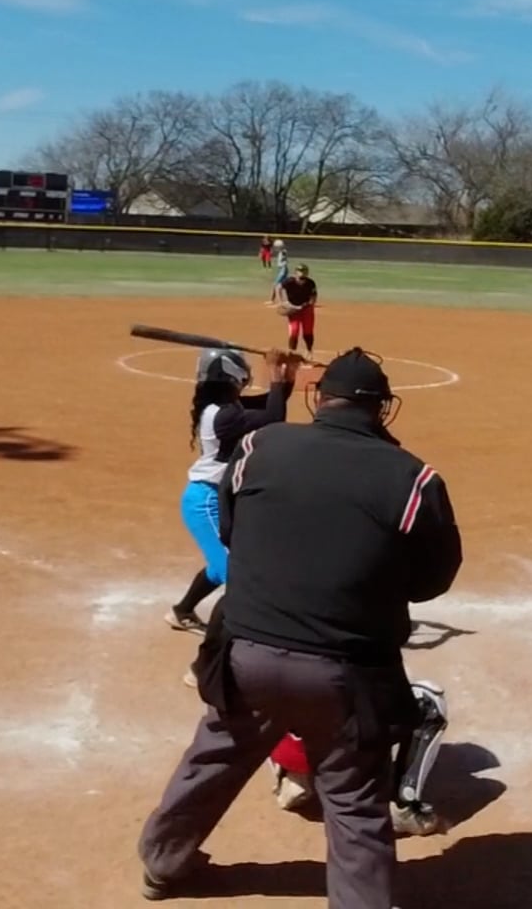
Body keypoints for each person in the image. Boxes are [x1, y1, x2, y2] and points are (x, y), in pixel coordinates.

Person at [137, 348, 463, 909]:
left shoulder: (260, 446)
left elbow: (233, 530)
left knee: (214, 756)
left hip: (245, 651)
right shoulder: (413, 477)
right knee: (355, 798)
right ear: (382, 408)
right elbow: (432, 580)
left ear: (319, 398)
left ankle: (162, 863)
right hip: (345, 671)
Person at [163, 347, 300, 636]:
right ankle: (225, 643)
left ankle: (182, 611)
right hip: (206, 502)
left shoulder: (225, 408)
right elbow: (274, 417)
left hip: (220, 499)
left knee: (223, 564)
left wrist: (288, 371)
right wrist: (273, 369)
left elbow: (272, 404)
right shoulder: (222, 415)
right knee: (235, 573)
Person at [264, 681, 451, 838]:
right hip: (341, 739)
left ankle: (290, 777)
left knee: (277, 673)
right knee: (426, 700)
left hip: (289, 732)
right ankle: (403, 806)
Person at [278, 263, 319, 357]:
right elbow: (278, 287)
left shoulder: (310, 283)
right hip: (293, 309)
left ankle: (309, 351)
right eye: (300, 272)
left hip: (306, 309)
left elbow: (314, 295)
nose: (302, 274)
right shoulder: (289, 281)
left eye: (304, 272)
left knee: (308, 331)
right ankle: (292, 353)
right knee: (294, 330)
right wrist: (281, 302)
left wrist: (310, 303)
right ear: (296, 273)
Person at [265, 239, 289, 304]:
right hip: (282, 270)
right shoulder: (281, 252)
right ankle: (279, 300)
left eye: (276, 247)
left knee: (276, 285)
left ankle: (275, 301)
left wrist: (280, 247)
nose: (275, 248)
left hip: (283, 270)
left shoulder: (283, 251)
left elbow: (284, 254)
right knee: (283, 286)